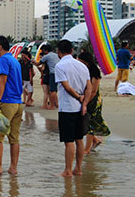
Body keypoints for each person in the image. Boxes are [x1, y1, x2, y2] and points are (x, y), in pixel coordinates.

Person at [54, 40, 92, 177]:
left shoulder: (60, 66)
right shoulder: (82, 66)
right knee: (79, 139)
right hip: (80, 108)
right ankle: (78, 168)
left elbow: (66, 86)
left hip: (67, 107)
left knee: (69, 141)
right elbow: (89, 87)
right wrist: (85, 103)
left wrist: (78, 97)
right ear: (71, 50)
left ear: (59, 51)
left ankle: (68, 171)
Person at [0, 36, 24, 175]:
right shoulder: (15, 60)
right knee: (14, 138)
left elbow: (2, 81)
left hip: (7, 102)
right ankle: (13, 168)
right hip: (18, 103)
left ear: (0, 47)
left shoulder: (3, 60)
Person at [77, 52, 111, 154]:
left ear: (86, 62)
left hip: (94, 100)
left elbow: (93, 91)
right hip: (87, 99)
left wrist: (86, 102)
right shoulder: (84, 70)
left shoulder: (94, 72)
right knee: (87, 122)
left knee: (90, 124)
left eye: (80, 61)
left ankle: (87, 149)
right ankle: (95, 141)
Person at [37, 44, 59, 109]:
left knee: (52, 91)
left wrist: (32, 61)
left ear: (46, 50)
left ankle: (54, 105)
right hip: (57, 73)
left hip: (51, 74)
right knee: (52, 90)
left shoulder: (47, 56)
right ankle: (54, 104)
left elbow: (38, 63)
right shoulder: (56, 55)